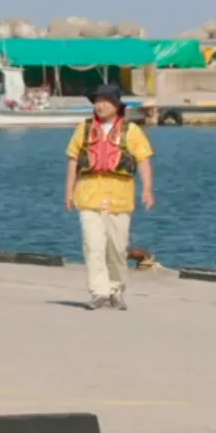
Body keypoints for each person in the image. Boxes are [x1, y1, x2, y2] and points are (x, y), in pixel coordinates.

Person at [64, 83, 155, 310]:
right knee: (93, 246)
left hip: (119, 198)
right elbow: (73, 159)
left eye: (105, 101)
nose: (100, 105)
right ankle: (98, 292)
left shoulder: (131, 131)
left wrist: (147, 189)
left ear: (117, 105)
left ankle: (116, 289)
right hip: (88, 195)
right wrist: (69, 191)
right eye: (97, 100)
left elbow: (143, 159)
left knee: (117, 247)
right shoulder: (84, 129)